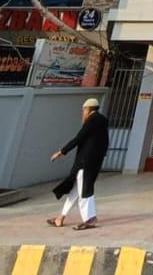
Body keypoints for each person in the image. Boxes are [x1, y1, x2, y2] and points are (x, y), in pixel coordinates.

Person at [47, 98, 109, 230]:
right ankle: (61, 217)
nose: (83, 113)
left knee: (84, 190)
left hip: (85, 162)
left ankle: (90, 219)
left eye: (84, 110)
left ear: (87, 109)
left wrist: (61, 152)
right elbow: (104, 142)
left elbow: (78, 138)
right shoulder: (102, 120)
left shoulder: (92, 120)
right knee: (75, 191)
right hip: (93, 161)